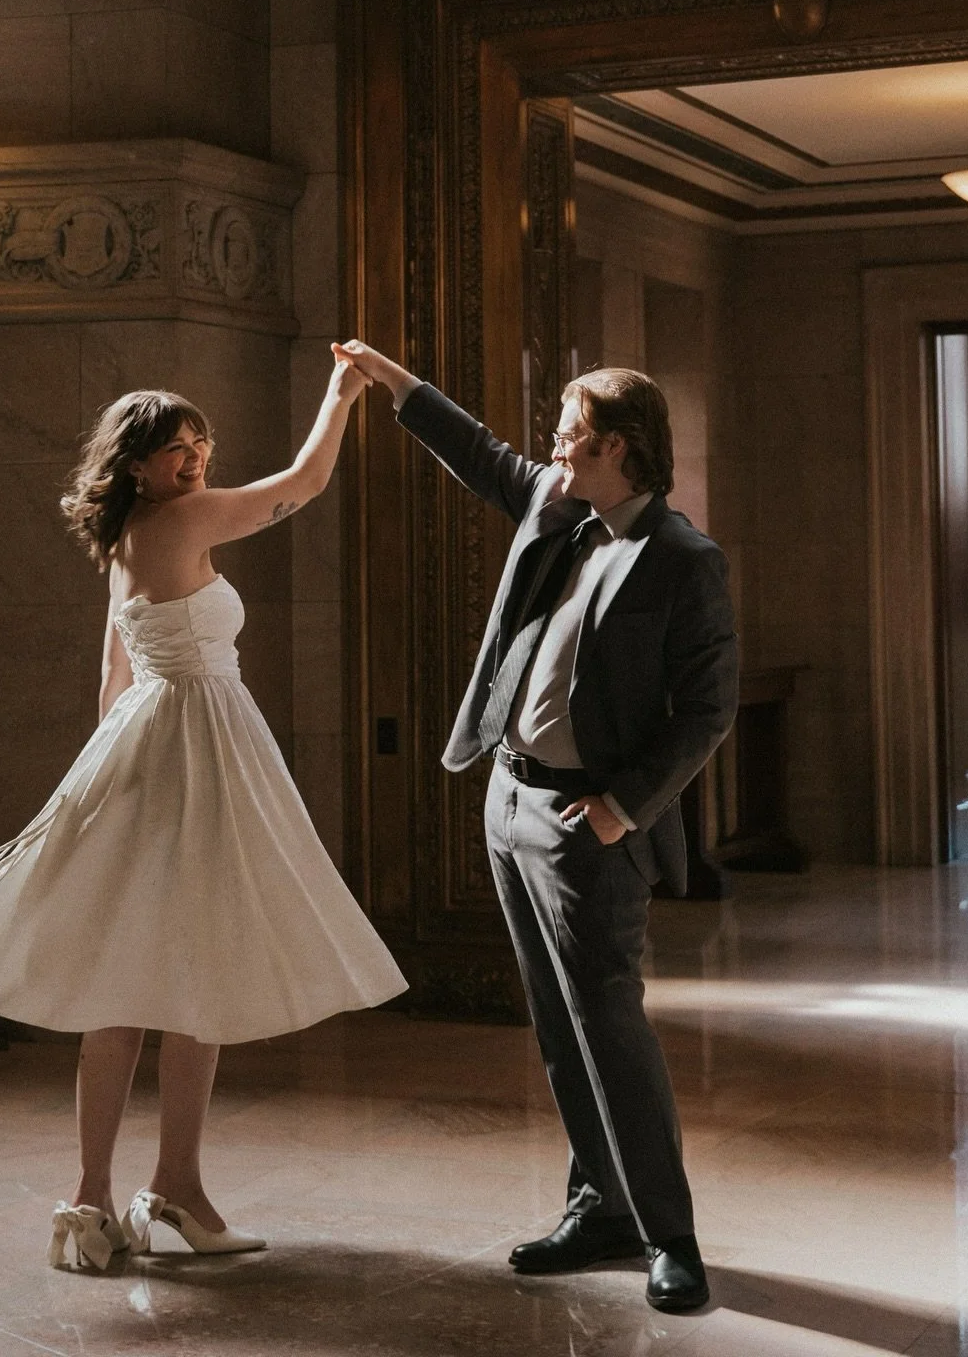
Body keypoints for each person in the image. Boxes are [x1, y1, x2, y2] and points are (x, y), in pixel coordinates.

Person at [0, 352, 407, 1270]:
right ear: (135, 465)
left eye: (201, 443)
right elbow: (303, 485)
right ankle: (169, 1190)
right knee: (192, 965)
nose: (196, 458)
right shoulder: (183, 518)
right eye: (177, 448)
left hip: (148, 746)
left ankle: (98, 1199)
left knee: (128, 977)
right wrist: (340, 397)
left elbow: (112, 677)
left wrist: (99, 782)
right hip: (197, 747)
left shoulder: (127, 536)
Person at [338, 341, 737, 1316]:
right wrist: (393, 382)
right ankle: (600, 1211)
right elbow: (479, 452)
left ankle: (671, 1236)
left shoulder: (682, 560)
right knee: (559, 1026)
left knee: (609, 1024)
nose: (551, 453)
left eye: (568, 438)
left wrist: (620, 807)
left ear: (617, 448)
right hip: (508, 802)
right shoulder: (558, 509)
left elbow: (707, 710)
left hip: (587, 822)